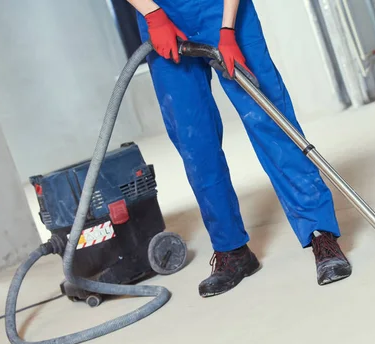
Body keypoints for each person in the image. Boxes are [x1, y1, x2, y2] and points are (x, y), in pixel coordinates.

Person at [127, 0, 352, 297]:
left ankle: (319, 231)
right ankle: (231, 250)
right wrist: (152, 14)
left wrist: (227, 29)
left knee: (268, 117)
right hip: (160, 11)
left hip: (220, 8)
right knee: (194, 139)